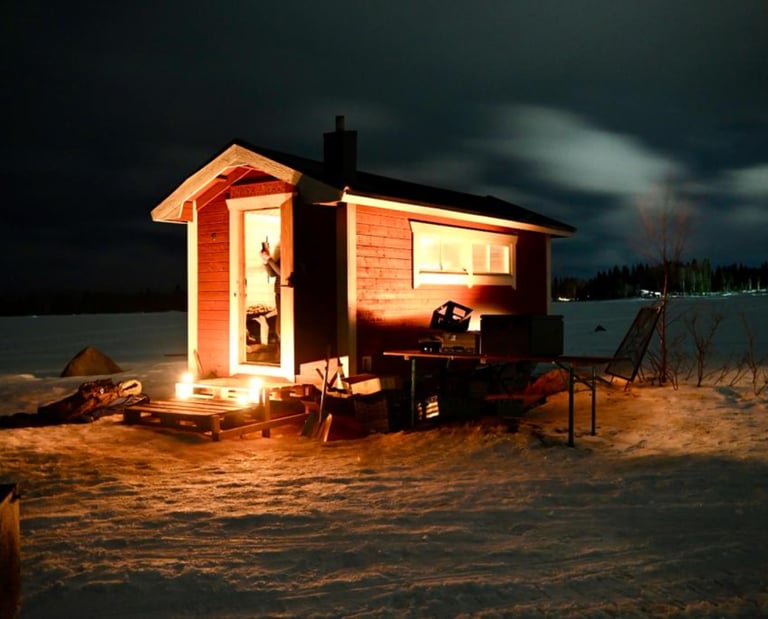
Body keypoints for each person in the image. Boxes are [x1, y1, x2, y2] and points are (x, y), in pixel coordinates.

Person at [260, 242, 281, 343]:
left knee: (282, 320)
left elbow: (283, 273)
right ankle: (280, 341)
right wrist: (265, 262)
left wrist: (269, 259)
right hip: (278, 292)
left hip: (286, 293)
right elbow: (273, 274)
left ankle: (282, 340)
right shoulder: (282, 257)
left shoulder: (292, 257)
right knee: (280, 318)